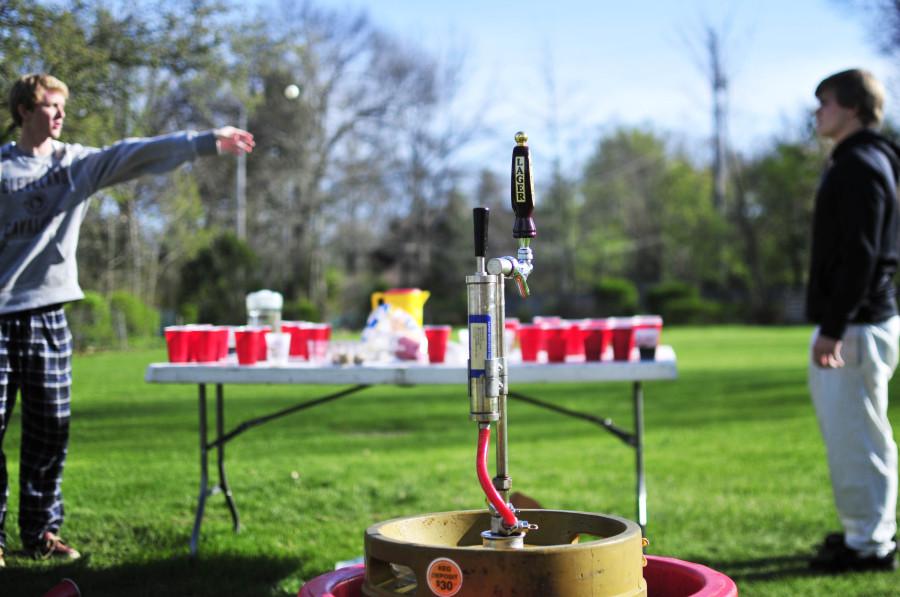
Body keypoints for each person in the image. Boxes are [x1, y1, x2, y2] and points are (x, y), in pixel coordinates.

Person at [0, 73, 254, 566]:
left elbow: (133, 153)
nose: (60, 116)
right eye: (51, 106)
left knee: (51, 427)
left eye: (63, 108)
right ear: (24, 111)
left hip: (49, 316)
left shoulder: (76, 166)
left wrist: (205, 142)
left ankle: (41, 532)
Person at [807, 68, 900, 572]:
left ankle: (870, 545)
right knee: (860, 434)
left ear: (854, 108)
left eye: (824, 102)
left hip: (857, 327)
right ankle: (866, 533)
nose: (818, 111)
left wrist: (834, 325)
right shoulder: (866, 159)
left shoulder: (859, 165)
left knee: (858, 438)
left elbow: (861, 255)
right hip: (861, 325)